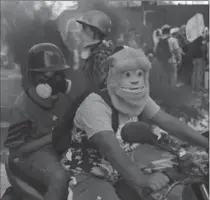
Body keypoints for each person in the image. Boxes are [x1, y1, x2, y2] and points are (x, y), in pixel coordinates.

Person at [60, 47, 208, 200]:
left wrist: (206, 143)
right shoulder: (95, 105)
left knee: (172, 192)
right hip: (89, 173)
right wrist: (142, 179)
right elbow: (111, 148)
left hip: (122, 170)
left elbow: (168, 121)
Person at [3, 43, 72, 200]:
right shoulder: (23, 105)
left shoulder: (63, 99)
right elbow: (17, 151)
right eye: (51, 74)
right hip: (30, 155)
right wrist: (51, 137)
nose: (58, 80)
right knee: (60, 177)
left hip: (58, 149)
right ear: (36, 77)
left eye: (60, 73)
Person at [76, 10, 114, 91]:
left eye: (84, 28)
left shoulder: (101, 56)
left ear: (96, 31)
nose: (80, 32)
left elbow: (103, 90)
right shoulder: (95, 52)